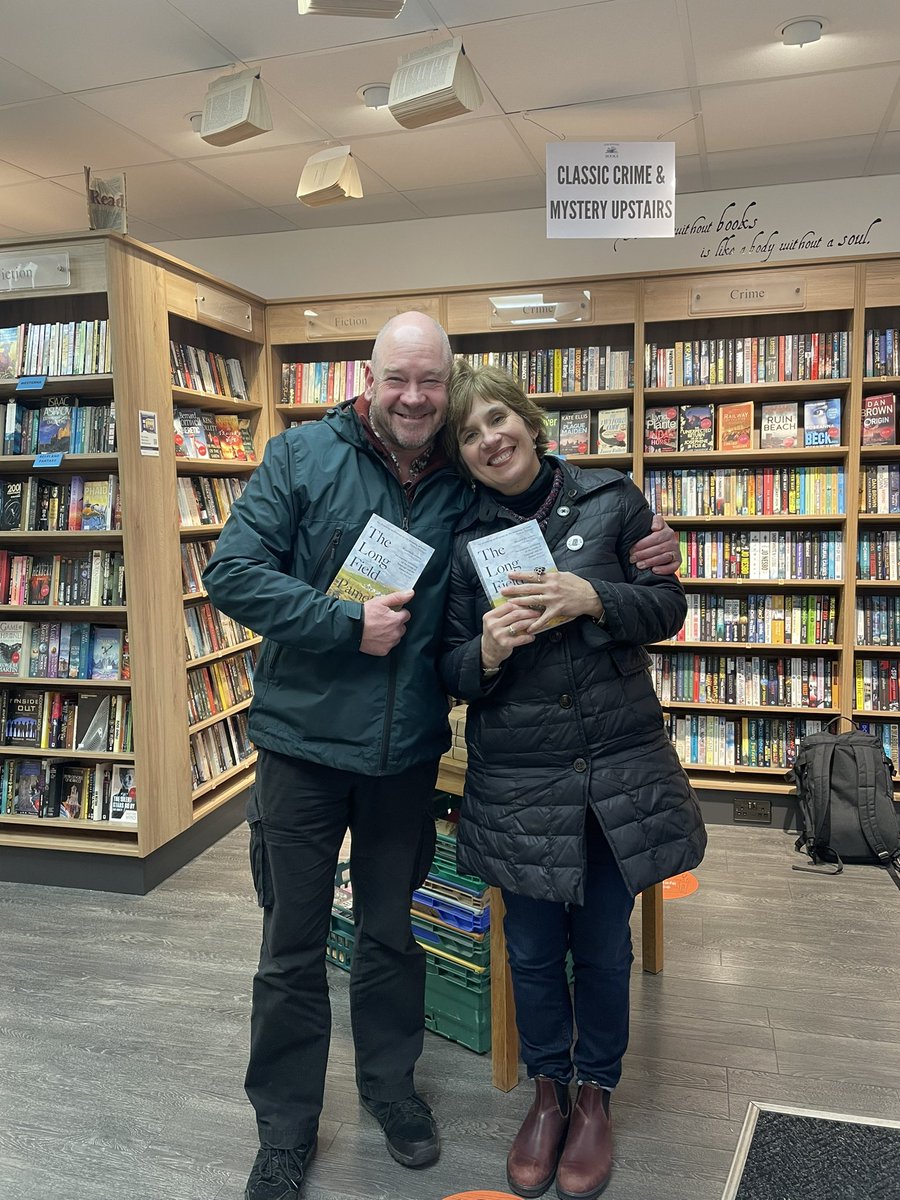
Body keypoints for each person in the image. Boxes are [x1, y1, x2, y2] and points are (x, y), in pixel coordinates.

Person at [201, 312, 683, 1200]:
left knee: (390, 935)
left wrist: (642, 551)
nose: (415, 398)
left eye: (432, 383)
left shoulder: (464, 483)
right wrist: (344, 621)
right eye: (400, 380)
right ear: (371, 377)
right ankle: (285, 1131)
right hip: (302, 750)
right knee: (291, 947)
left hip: (407, 753)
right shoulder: (302, 457)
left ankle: (392, 1091)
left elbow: (543, 496)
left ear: (449, 387)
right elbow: (231, 573)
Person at [439, 361, 707, 1200]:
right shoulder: (464, 540)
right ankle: (547, 1090)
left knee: (600, 945)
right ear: (461, 454)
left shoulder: (613, 499)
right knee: (527, 948)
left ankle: (596, 1092)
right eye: (469, 433)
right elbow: (447, 666)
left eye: (497, 419)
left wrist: (595, 596)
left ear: (527, 418)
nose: (489, 439)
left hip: (610, 771)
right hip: (519, 780)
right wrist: (484, 651)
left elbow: (668, 609)